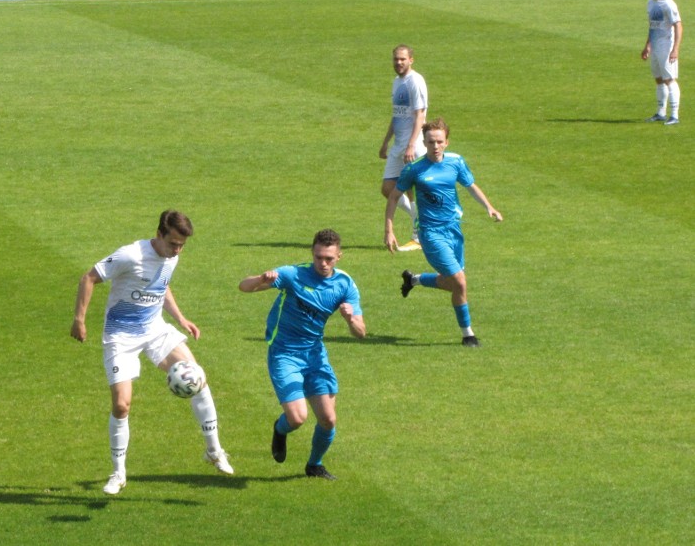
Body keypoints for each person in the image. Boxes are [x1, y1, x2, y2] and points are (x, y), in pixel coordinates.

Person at [71, 210, 233, 495]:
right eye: (172, 243)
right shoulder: (130, 255)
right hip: (120, 337)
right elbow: (89, 278)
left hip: (155, 329)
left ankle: (214, 450)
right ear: (159, 234)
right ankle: (118, 473)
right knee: (122, 405)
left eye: (181, 245)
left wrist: (181, 319)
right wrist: (79, 320)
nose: (177, 250)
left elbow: (162, 285)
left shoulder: (172, 256)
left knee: (198, 378)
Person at [238, 229, 366, 481]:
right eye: (319, 257)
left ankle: (314, 465)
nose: (323, 263)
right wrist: (261, 279)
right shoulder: (293, 274)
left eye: (329, 258)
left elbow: (361, 333)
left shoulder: (345, 285)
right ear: (312, 253)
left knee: (328, 419)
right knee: (297, 418)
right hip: (284, 354)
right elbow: (244, 287)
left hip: (315, 354)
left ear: (339, 256)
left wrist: (351, 319)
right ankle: (279, 428)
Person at [384, 118, 502, 347]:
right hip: (430, 233)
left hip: (454, 230)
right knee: (460, 281)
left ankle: (414, 279)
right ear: (424, 142)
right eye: (430, 142)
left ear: (446, 142)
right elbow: (393, 196)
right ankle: (468, 334)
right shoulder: (414, 169)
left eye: (439, 141)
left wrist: (489, 207)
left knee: (453, 283)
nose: (435, 146)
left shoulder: (456, 162)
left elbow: (471, 186)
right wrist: (389, 229)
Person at [379, 44, 428, 251]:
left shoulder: (415, 81)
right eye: (396, 59)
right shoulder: (397, 82)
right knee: (388, 188)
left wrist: (411, 145)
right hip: (398, 145)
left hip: (412, 145)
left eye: (402, 59)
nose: (398, 62)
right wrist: (385, 141)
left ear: (411, 60)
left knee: (412, 190)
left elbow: (420, 115)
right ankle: (419, 218)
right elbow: (397, 114)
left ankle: (418, 237)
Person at [642, 0, 683, 125]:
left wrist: (675, 49)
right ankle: (661, 113)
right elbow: (652, 26)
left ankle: (674, 115)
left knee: (669, 79)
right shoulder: (650, 3)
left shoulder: (668, 4)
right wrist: (647, 45)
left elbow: (678, 25)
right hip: (655, 47)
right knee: (659, 79)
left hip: (666, 47)